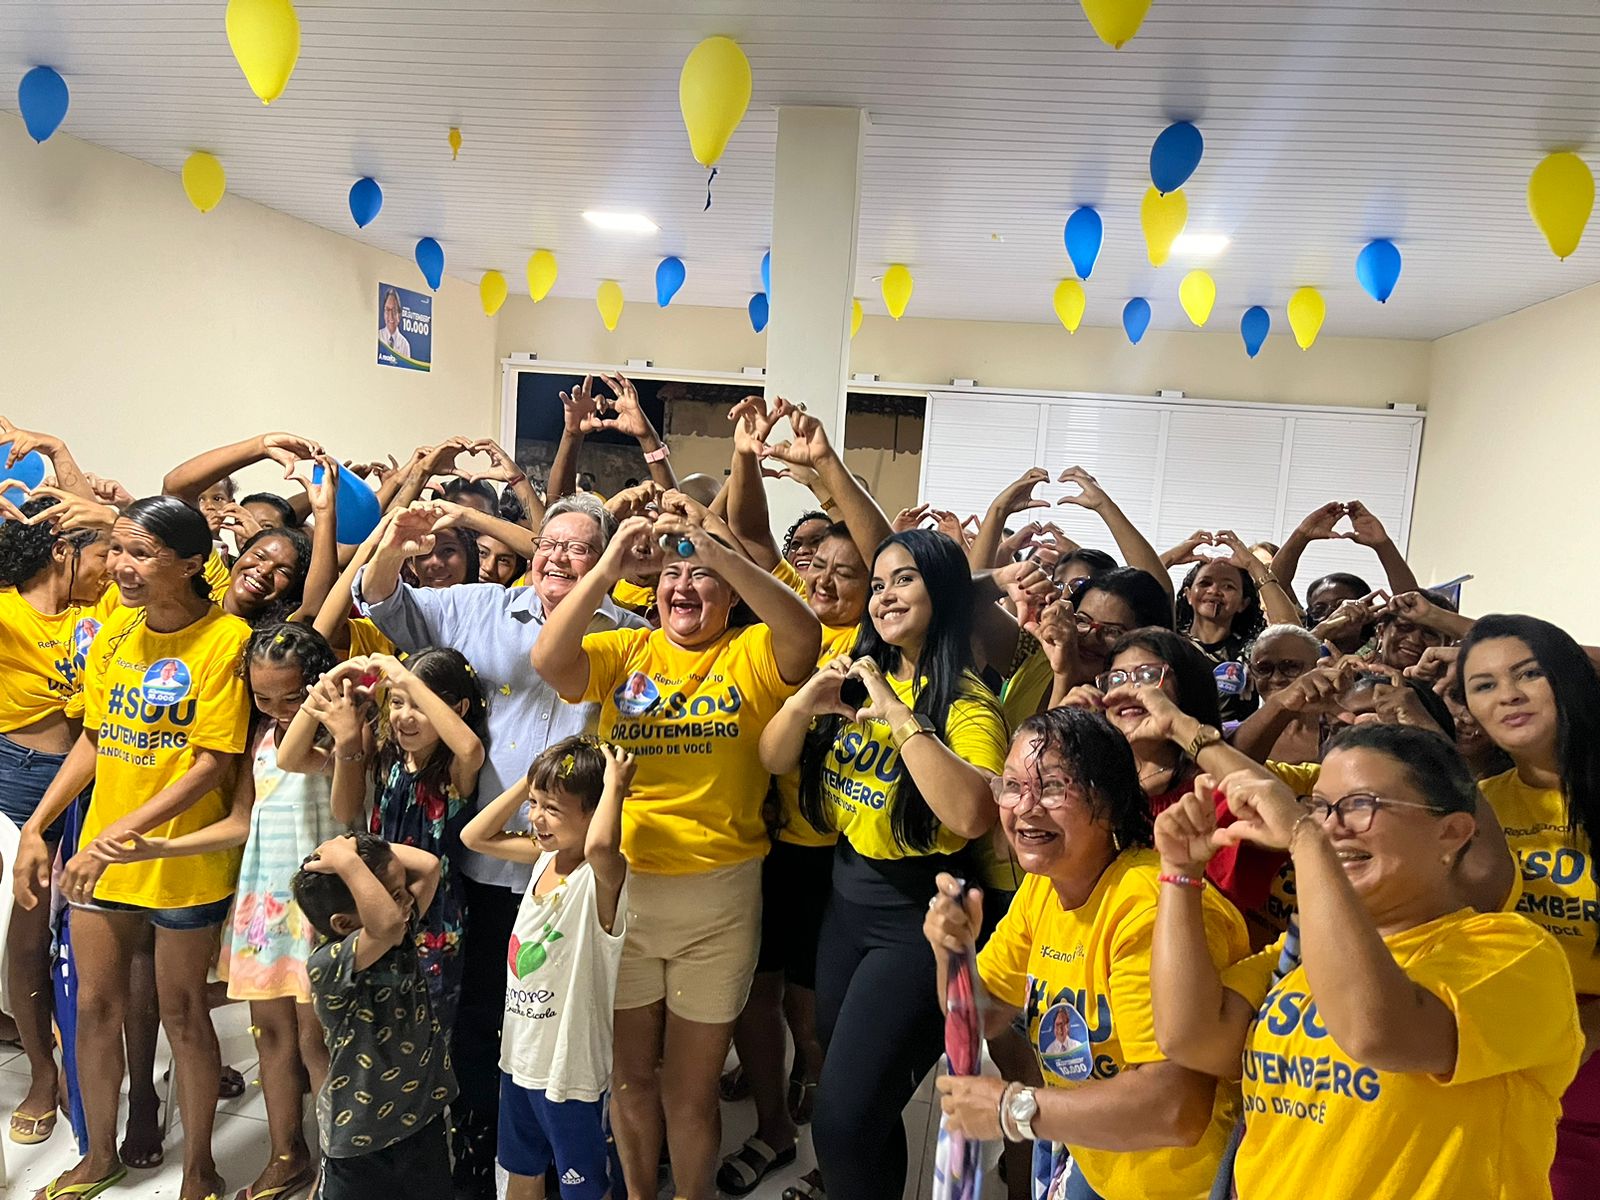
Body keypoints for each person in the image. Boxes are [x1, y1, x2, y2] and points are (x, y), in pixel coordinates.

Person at [1150, 725, 1583, 1199]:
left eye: (1360, 805)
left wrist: (1304, 836)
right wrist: (1179, 874)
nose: (1331, 825)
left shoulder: (1516, 955)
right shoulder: (1300, 951)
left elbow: (1373, 1032)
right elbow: (1191, 1038)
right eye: (1319, 806)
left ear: (1452, 833)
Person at [355, 492, 646, 1197]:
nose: (557, 557)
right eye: (550, 542)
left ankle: (576, 1157)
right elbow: (382, 603)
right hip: (485, 861)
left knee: (569, 1028)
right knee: (483, 1021)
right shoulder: (478, 606)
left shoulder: (631, 634)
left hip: (572, 879)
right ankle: (489, 1155)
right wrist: (395, 542)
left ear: (605, 557)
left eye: (580, 546)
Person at [531, 496, 821, 1200]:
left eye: (703, 580)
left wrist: (716, 550)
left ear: (729, 593)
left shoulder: (750, 652)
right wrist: (606, 567)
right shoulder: (626, 649)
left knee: (690, 1093)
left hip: (720, 902)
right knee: (631, 1079)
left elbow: (803, 631)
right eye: (671, 577)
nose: (683, 587)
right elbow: (550, 659)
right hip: (622, 893)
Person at [14, 496, 252, 1200]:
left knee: (182, 1014)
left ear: (187, 563)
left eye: (142, 554)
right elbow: (93, 737)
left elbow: (212, 761)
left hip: (181, 862)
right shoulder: (115, 629)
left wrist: (125, 838)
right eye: (117, 550)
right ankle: (100, 1155)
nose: (122, 566)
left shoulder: (226, 639)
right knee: (93, 1008)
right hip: (101, 860)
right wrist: (40, 826)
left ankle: (202, 1166)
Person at [758, 529, 1007, 1200]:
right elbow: (775, 758)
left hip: (921, 920)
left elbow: (972, 815)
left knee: (841, 1121)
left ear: (943, 592)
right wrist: (800, 704)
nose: (883, 596)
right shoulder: (856, 667)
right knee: (861, 1109)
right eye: (879, 584)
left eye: (903, 580)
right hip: (847, 902)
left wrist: (898, 713)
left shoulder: (966, 700)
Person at [924, 708, 1249, 1200]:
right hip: (1100, 1160)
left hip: (1186, 1185)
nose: (1026, 808)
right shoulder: (1042, 888)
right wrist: (953, 955)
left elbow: (1176, 1108)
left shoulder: (1147, 907)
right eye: (1012, 785)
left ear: (1111, 801)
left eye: (1054, 787)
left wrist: (1015, 1109)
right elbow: (982, 1016)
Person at [96, 622, 341, 1200]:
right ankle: (288, 1152)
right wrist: (160, 846)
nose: (279, 708)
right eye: (263, 697)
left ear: (318, 682)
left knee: (317, 1041)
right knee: (270, 1036)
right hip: (265, 904)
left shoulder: (339, 738)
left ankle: (338, 1164)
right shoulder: (260, 738)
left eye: (293, 694)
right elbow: (239, 822)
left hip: (323, 906)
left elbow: (310, 763)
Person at [1458, 615, 1600, 1199]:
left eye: (1529, 674)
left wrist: (1577, 1032)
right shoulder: (1476, 808)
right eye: (1484, 684)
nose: (1508, 695)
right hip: (1514, 1062)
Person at [460, 736, 634, 1200]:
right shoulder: (542, 860)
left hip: (570, 1072)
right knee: (522, 1169)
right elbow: (474, 837)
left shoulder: (602, 878)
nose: (535, 817)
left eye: (552, 809)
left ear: (595, 813)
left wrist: (615, 785)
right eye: (535, 805)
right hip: (519, 1059)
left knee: (583, 1187)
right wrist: (531, 783)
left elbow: (600, 846)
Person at [290, 649, 485, 1032]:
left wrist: (406, 678)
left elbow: (471, 748)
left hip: (433, 915)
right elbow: (294, 762)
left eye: (420, 706)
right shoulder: (385, 756)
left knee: (425, 1030)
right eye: (396, 702)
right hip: (372, 903)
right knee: (371, 1028)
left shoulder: (454, 768)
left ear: (457, 708)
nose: (404, 716)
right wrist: (334, 676)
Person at [0, 493, 110, 1146]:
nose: (110, 566)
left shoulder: (102, 607)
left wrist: (90, 500)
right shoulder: (8, 608)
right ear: (62, 552)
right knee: (29, 930)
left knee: (94, 932)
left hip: (98, 779)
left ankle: (85, 1060)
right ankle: (43, 1074)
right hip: (19, 779)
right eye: (100, 554)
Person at [295, 833, 455, 1200]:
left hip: (420, 1118)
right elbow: (384, 924)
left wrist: (347, 849)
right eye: (393, 895)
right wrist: (348, 864)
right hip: (359, 1136)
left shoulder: (398, 930)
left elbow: (429, 866)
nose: (406, 904)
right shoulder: (328, 964)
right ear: (343, 924)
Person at [1172, 531, 1298, 722]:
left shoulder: (1253, 650)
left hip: (1235, 748)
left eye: (1228, 586)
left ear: (1243, 603)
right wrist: (1171, 557)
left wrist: (1252, 564)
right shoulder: (1168, 641)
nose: (1214, 591)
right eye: (1205, 583)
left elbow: (1294, 636)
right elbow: (1131, 588)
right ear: (1188, 595)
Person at [1242, 624, 1323, 759]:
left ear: (1318, 667)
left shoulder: (1339, 729)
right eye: (1263, 669)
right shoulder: (1238, 736)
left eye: (1291, 667)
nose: (1276, 678)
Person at [380, 288, 412, 357]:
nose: (390, 316)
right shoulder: (378, 336)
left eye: (394, 310)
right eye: (387, 310)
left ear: (399, 315)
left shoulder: (405, 344)